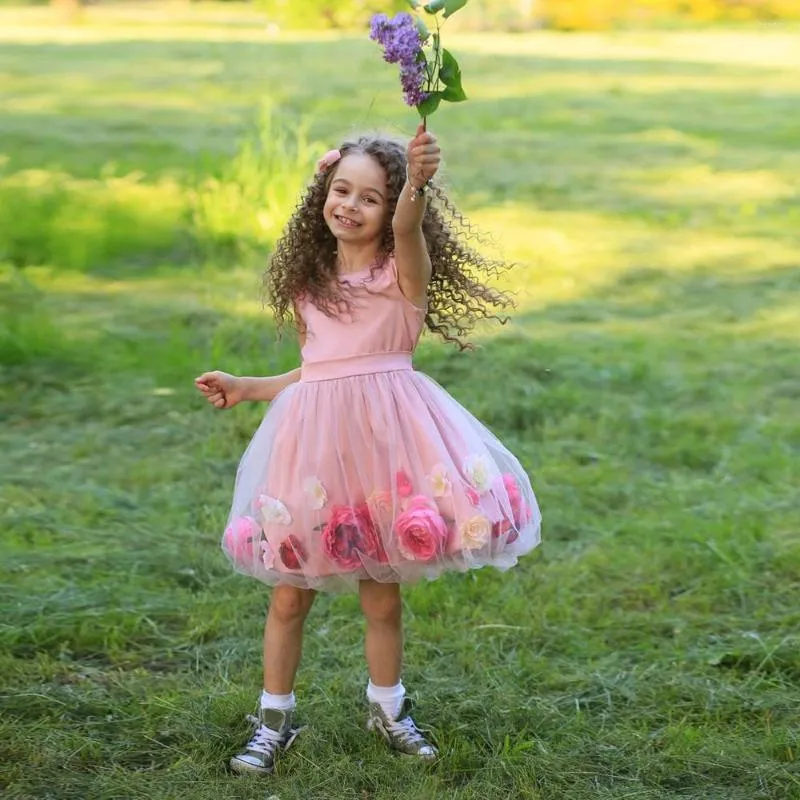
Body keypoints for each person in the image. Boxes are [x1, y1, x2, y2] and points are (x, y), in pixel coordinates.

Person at [195, 124, 542, 775]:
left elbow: (409, 229)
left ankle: (388, 708)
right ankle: (274, 718)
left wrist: (415, 185)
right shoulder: (312, 279)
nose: (349, 206)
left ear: (393, 210)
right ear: (323, 192)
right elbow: (317, 369)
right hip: (315, 452)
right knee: (289, 591)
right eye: (340, 189)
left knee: (381, 593)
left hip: (386, 452)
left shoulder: (400, 274)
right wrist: (249, 388)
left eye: (371, 197)